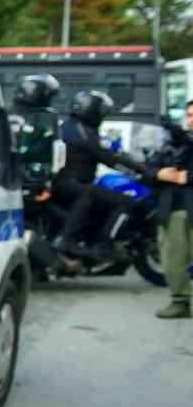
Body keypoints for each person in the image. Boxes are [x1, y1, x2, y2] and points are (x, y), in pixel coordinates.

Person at [52, 91, 147, 262]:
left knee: (96, 192)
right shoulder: (85, 134)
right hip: (71, 185)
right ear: (93, 112)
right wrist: (144, 170)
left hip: (62, 183)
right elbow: (111, 158)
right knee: (126, 202)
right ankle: (103, 244)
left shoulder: (68, 126)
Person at [147, 99, 193, 319]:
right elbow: (151, 168)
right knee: (173, 259)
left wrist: (188, 176)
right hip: (173, 208)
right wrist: (159, 174)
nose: (191, 120)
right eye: (190, 115)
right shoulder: (176, 143)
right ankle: (180, 300)